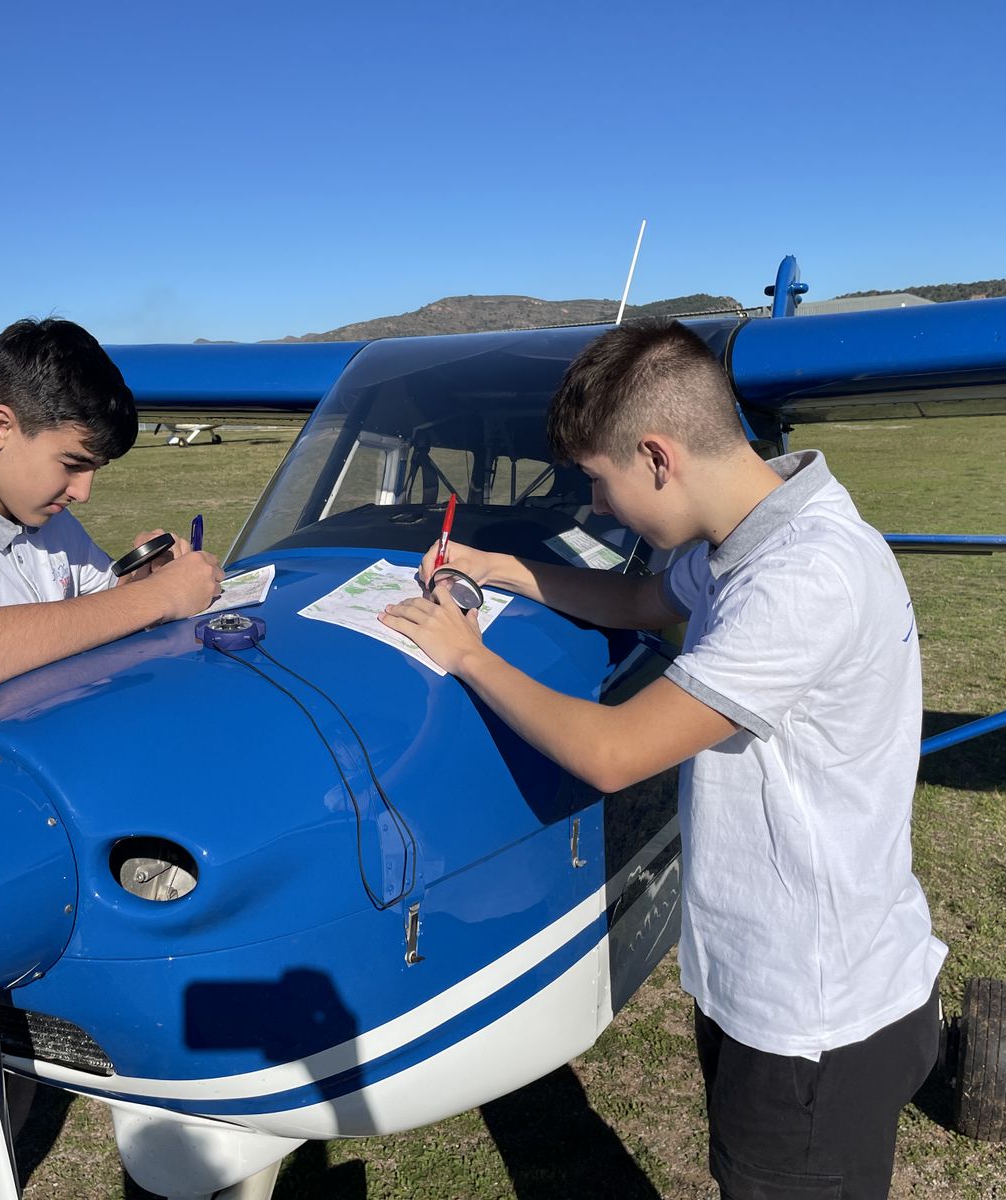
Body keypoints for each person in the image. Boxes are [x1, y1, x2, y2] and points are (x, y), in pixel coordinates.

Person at [381, 318, 946, 1200]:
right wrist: (505, 569)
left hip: (815, 1017)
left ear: (656, 456)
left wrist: (468, 655)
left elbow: (613, 754)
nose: (599, 509)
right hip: (778, 975)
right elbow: (645, 599)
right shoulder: (747, 535)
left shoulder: (802, 580)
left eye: (599, 482)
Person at [0, 316, 225, 1200]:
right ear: (3, 427)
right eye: (74, 462)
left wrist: (143, 588)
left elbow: (88, 615)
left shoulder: (44, 521)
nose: (85, 494)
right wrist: (152, 603)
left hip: (34, 869)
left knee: (9, 1113)